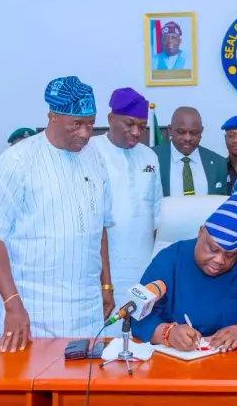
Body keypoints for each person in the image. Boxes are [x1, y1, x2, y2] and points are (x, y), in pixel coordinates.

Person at [0, 76, 114, 352]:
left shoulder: (94, 158)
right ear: (52, 117)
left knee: (83, 378)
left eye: (90, 124)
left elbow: (100, 227)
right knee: (32, 378)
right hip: (32, 310)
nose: (85, 133)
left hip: (87, 309)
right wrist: (12, 304)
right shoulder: (18, 160)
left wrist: (106, 286)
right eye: (77, 124)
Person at [132, 184, 237, 352]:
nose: (220, 260)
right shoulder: (169, 259)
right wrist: (167, 333)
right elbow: (138, 316)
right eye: (213, 250)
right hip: (180, 360)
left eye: (230, 255)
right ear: (201, 233)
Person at [91, 87, 163, 331]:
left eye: (142, 126)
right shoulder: (90, 152)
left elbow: (157, 213)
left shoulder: (150, 157)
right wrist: (105, 283)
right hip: (104, 270)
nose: (136, 132)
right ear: (111, 118)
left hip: (143, 266)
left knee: (140, 335)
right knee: (105, 336)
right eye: (129, 124)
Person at [152, 106, 227, 196]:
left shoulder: (219, 163)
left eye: (194, 133)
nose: (188, 138)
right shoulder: (152, 157)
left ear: (201, 131)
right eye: (181, 132)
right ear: (170, 130)